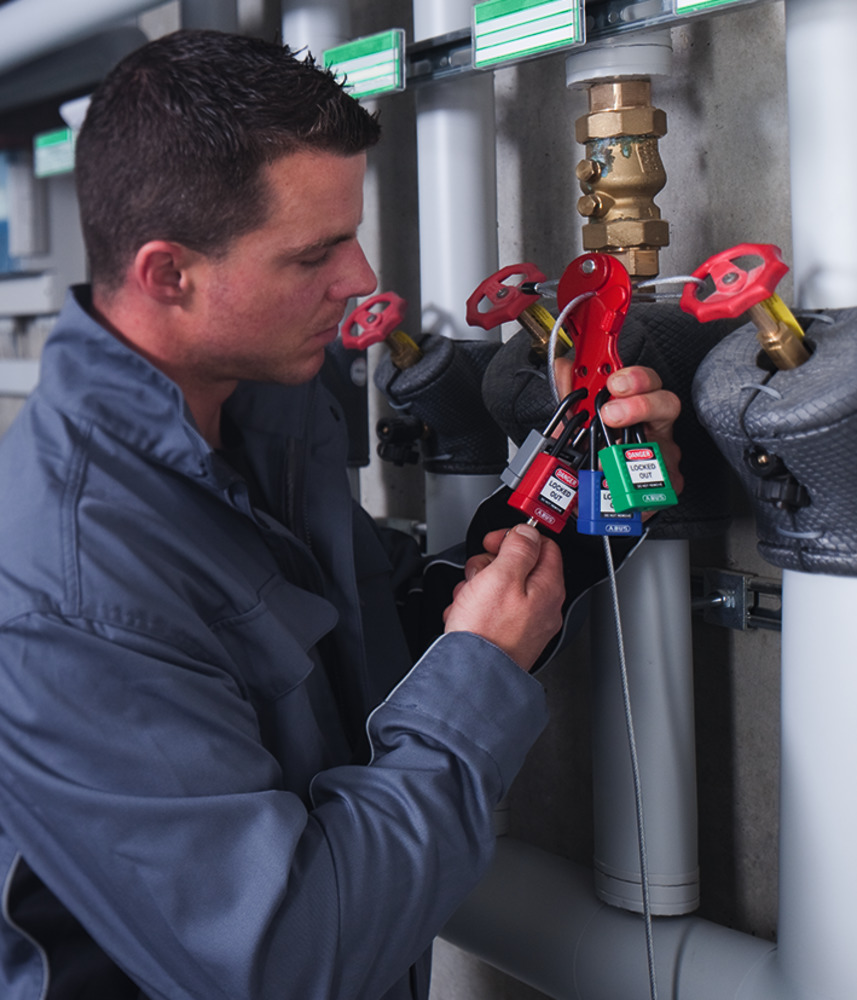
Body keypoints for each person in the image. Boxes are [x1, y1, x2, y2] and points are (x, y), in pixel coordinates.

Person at [0, 30, 681, 1000]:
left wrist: (574, 493)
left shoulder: (256, 412)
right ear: (167, 275)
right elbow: (287, 959)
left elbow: (353, 686)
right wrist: (480, 671)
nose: (360, 280)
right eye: (314, 253)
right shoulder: (70, 594)